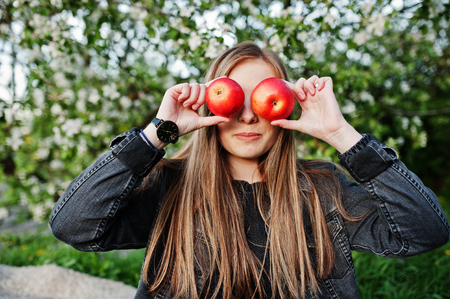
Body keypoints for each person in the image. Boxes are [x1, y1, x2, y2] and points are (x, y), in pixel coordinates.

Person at [49, 41, 449, 299]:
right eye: (231, 99)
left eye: (260, 100)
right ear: (210, 107)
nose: (246, 116)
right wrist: (157, 134)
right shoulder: (171, 187)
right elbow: (73, 225)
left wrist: (342, 135)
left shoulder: (322, 190)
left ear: (283, 107)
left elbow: (424, 232)